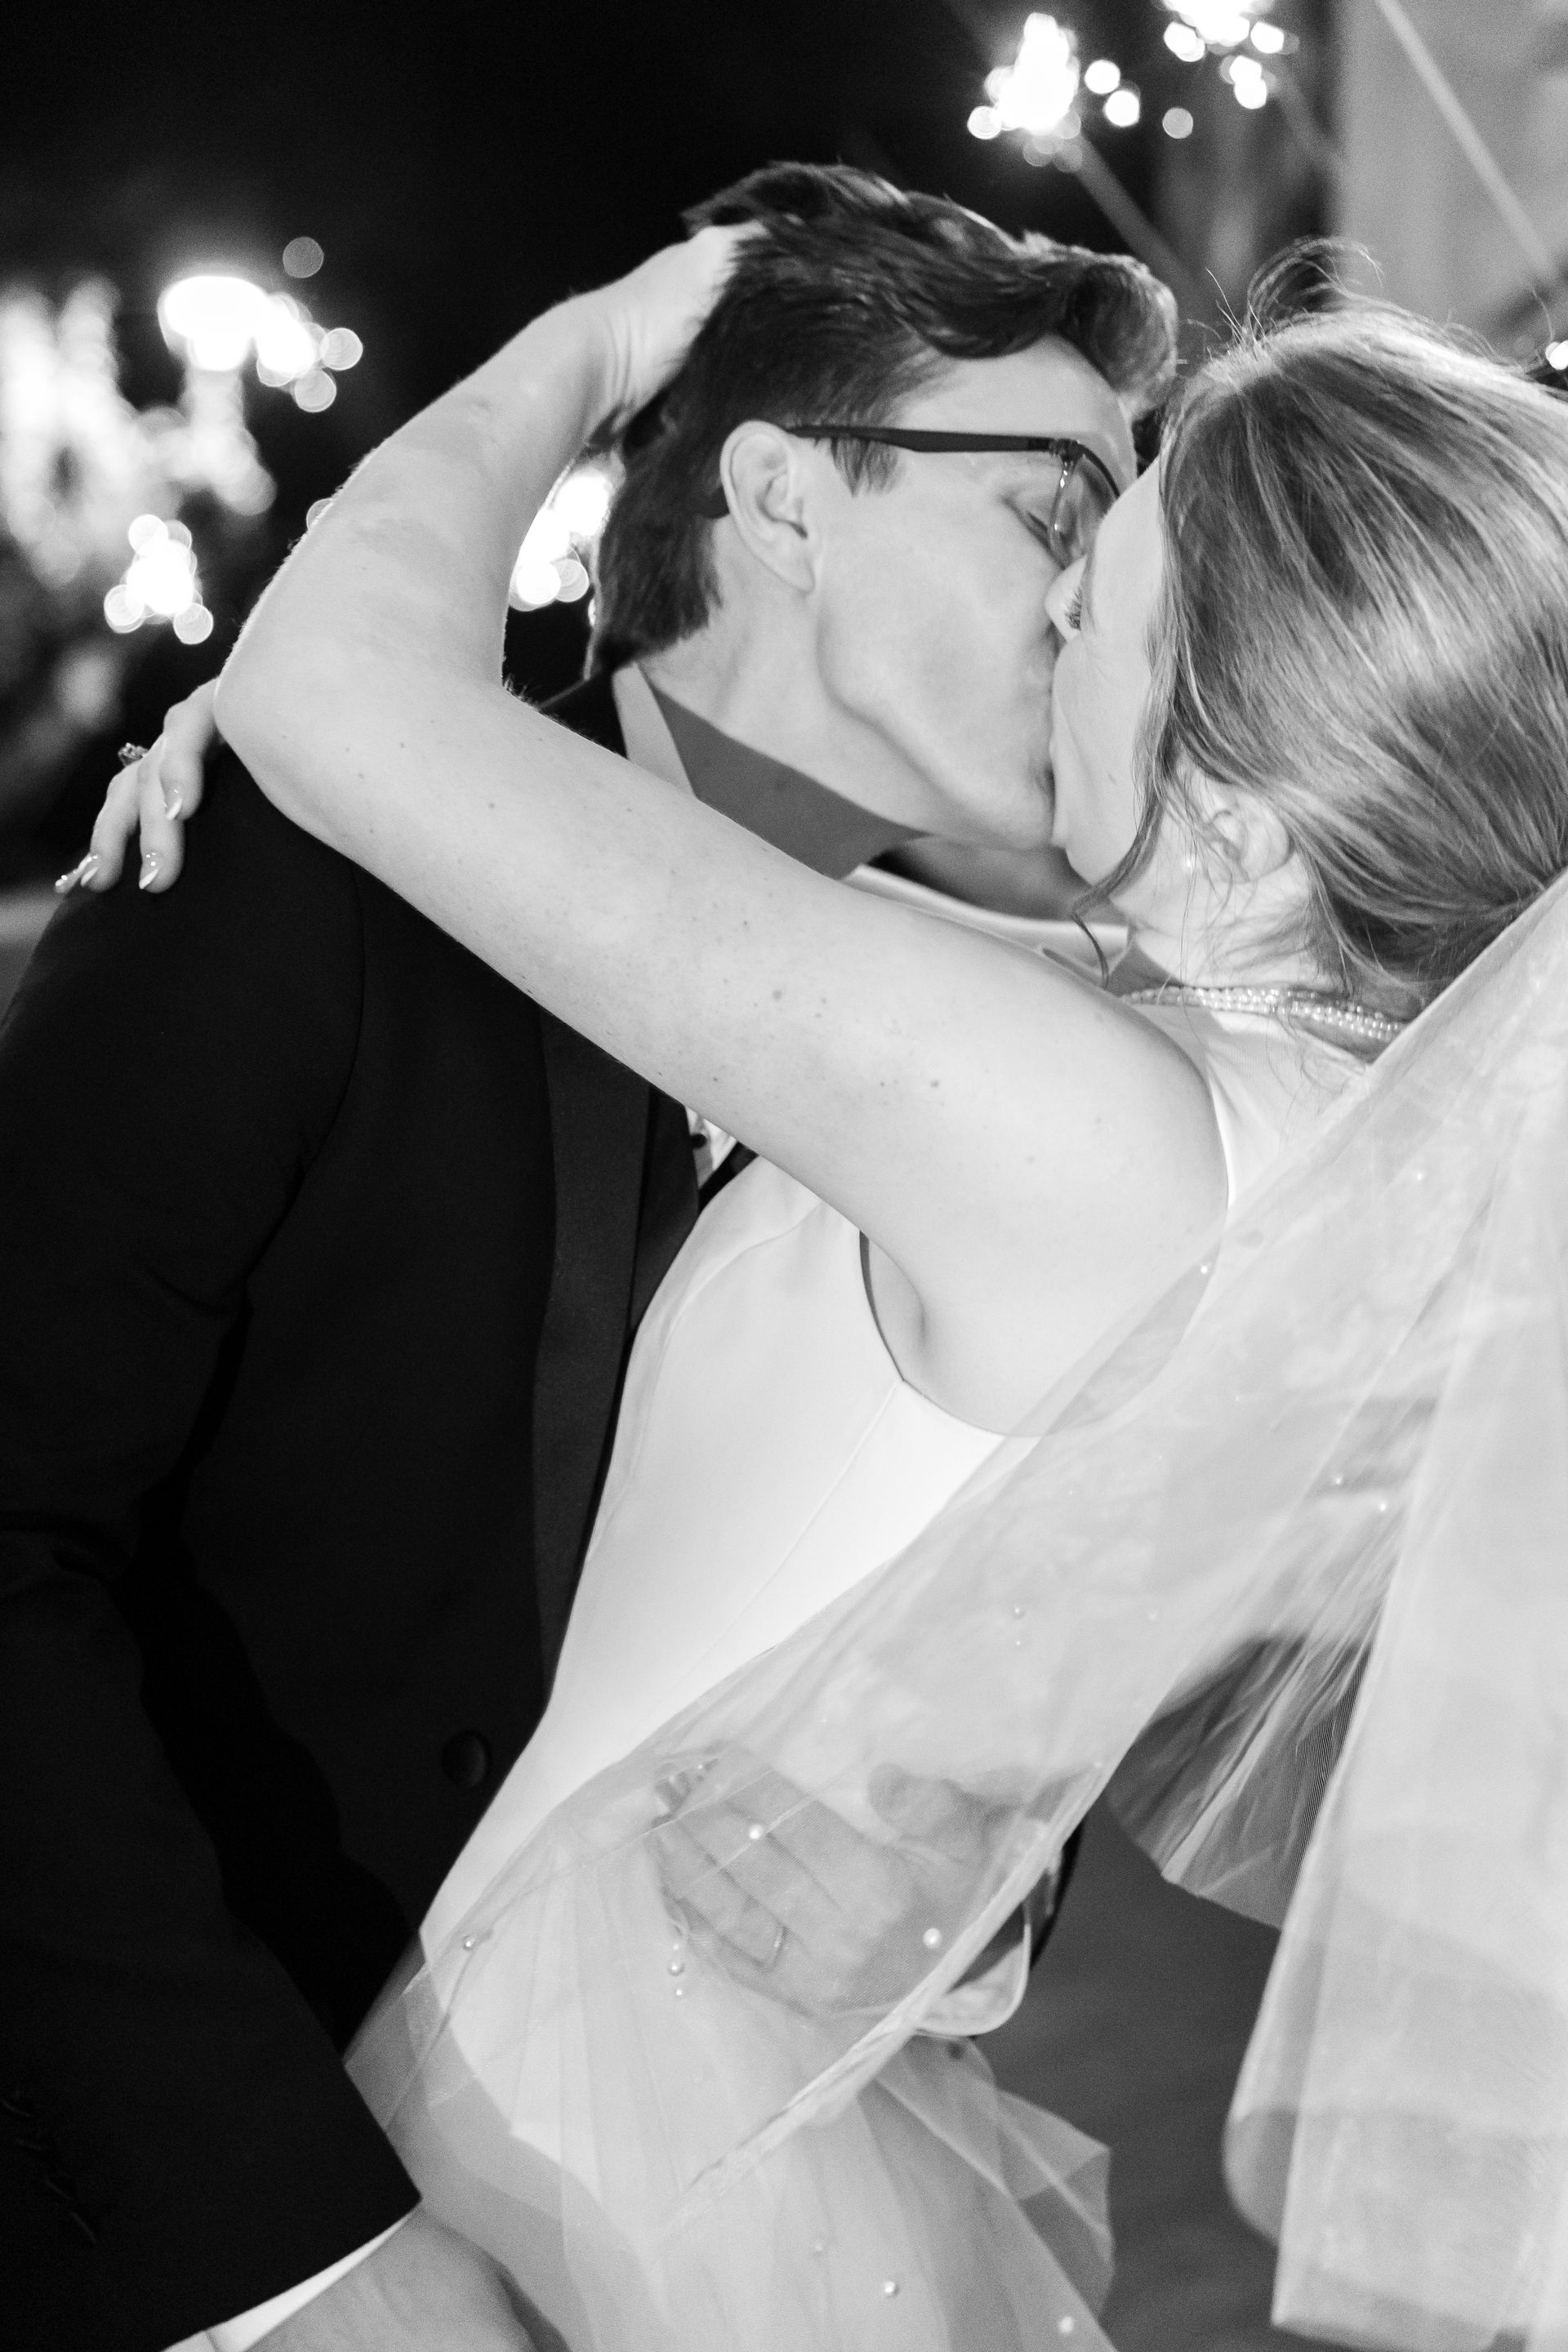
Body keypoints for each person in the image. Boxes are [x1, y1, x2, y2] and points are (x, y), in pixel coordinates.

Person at [98, 225, 1568, 2348]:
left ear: (1250, 837)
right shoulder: (1348, 1126)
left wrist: (603, 337)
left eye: (1092, 610)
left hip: (552, 2117)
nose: (1041, 624)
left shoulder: (1074, 1121)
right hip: (732, 2091)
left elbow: (345, 696)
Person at [0, 170, 1175, 2352]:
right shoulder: (293, 856)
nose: (1105, 603)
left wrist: (959, 1889)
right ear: (788, 495)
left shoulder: (1014, 1048)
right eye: (1056, 511)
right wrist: (294, 2260)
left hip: (726, 2210)